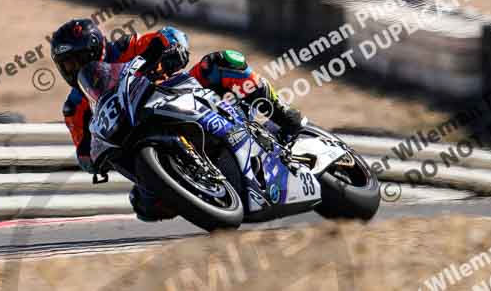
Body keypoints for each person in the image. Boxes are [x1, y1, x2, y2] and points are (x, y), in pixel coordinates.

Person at [50, 18, 304, 221]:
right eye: (67, 65)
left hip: (178, 95)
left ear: (97, 47)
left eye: (78, 59)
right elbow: (83, 150)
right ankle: (198, 190)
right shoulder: (74, 106)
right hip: (137, 138)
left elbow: (169, 35)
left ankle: (282, 113)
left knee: (220, 62)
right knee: (145, 206)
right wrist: (93, 160)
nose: (74, 69)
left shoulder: (125, 47)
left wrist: (172, 50)